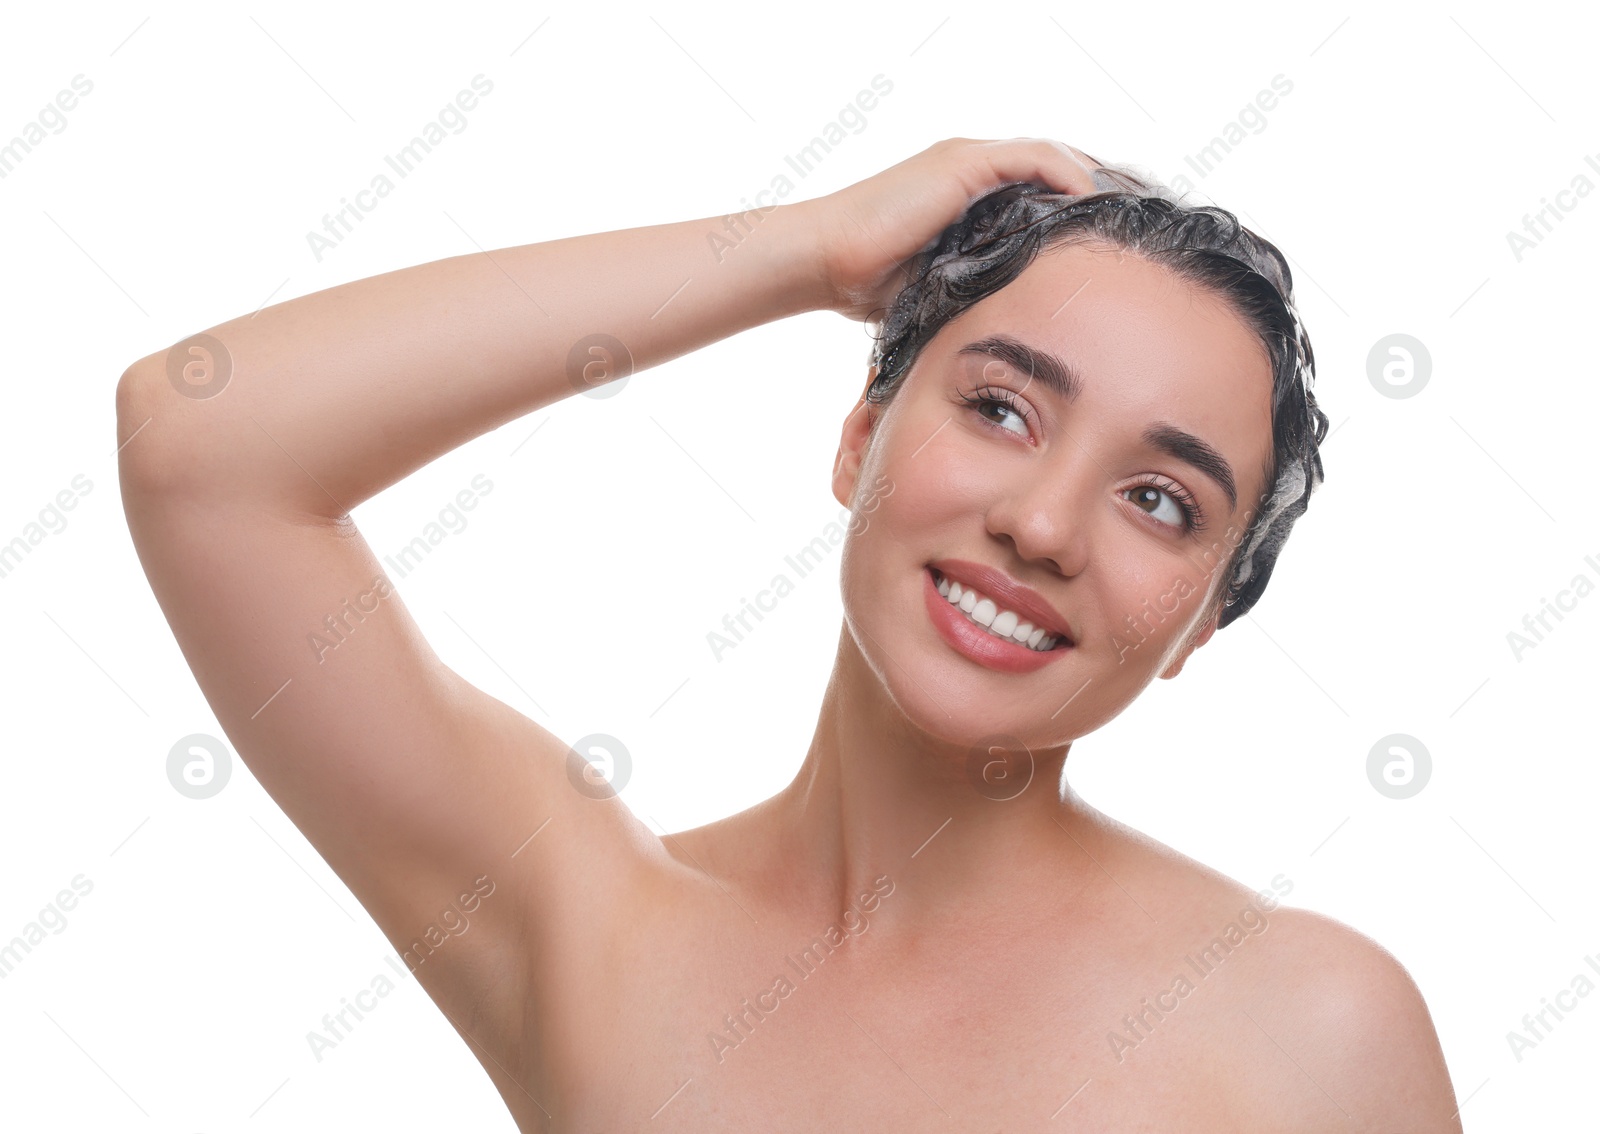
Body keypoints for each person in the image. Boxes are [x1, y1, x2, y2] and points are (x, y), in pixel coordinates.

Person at [116, 137, 1460, 1130]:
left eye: (1159, 500)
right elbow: (204, 444)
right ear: (863, 435)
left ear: (1203, 623)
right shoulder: (595, 935)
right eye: (1000, 407)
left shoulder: (1310, 1034)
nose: (1046, 526)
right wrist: (802, 251)